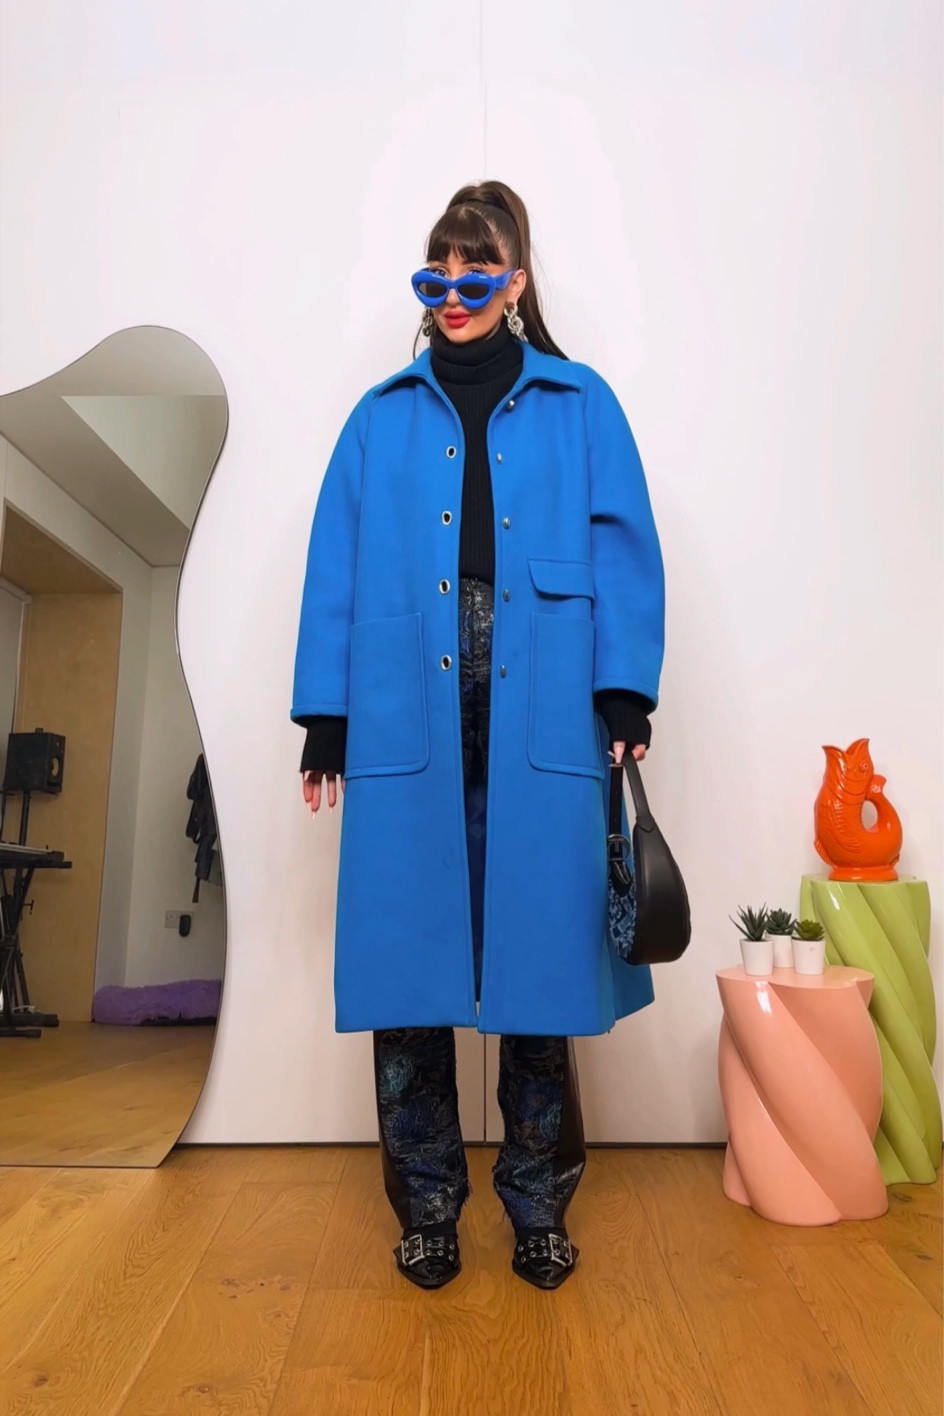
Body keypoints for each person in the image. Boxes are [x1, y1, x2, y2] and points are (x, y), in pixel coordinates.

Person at [291, 180, 665, 1291]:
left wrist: (623, 693)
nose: (452, 293)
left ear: (515, 281)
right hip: (406, 703)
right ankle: (427, 1208)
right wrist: (327, 718)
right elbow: (335, 567)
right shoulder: (377, 419)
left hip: (542, 700)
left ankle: (538, 1206)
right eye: (435, 274)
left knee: (540, 967)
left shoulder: (581, 404)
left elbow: (623, 549)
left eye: (475, 271)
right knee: (410, 969)